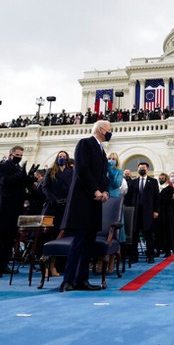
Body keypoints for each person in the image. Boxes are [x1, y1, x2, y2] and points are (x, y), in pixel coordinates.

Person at [59, 120, 112, 291]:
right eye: (110, 129)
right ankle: (68, 280)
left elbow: (103, 175)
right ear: (101, 130)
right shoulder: (85, 143)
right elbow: (82, 170)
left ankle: (81, 280)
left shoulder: (102, 151)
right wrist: (95, 191)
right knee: (79, 241)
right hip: (83, 200)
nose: (111, 132)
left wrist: (105, 192)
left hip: (95, 203)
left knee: (88, 242)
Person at [0, 145, 27, 278]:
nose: (19, 157)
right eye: (17, 155)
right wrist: (19, 175)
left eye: (21, 155)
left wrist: (29, 176)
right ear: (11, 154)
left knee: (10, 239)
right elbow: (4, 181)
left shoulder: (19, 169)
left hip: (16, 208)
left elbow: (22, 185)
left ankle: (3, 265)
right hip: (4, 207)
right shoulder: (2, 167)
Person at [124, 162, 160, 263]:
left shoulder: (153, 181)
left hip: (148, 212)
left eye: (143, 168)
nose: (141, 170)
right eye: (140, 168)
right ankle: (134, 256)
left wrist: (156, 210)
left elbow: (156, 197)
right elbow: (128, 197)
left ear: (147, 169)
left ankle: (150, 255)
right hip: (135, 212)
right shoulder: (133, 182)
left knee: (148, 234)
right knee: (134, 235)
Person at [42, 151, 74, 236]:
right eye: (60, 156)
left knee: (61, 230)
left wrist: (68, 199)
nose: (62, 158)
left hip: (65, 204)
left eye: (64, 156)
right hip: (52, 204)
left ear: (67, 158)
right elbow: (45, 187)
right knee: (47, 230)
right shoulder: (50, 171)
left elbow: (73, 188)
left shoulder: (71, 172)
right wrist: (54, 199)